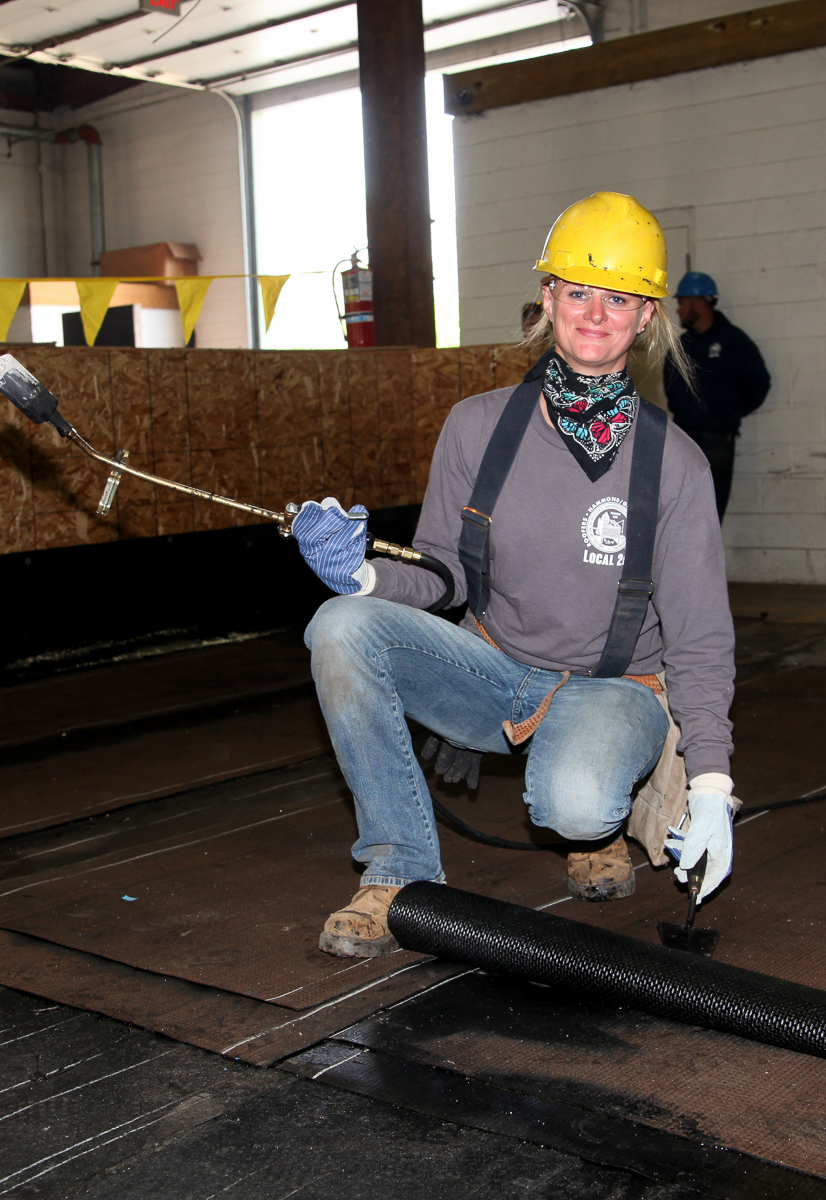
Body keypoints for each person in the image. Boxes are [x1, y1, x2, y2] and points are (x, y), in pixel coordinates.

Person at [293, 192, 736, 960]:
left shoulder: (677, 465)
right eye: (578, 291)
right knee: (338, 628)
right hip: (494, 667)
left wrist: (711, 786)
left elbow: (699, 639)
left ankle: (601, 824)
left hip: (616, 686)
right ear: (548, 301)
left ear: (648, 318)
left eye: (619, 298)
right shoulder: (478, 424)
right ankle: (398, 871)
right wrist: (360, 575)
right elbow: (442, 575)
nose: (596, 313)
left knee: (573, 804)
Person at [664, 271, 770, 521]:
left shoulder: (734, 341)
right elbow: (670, 387)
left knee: (710, 513)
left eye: (681, 303)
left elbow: (759, 384)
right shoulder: (681, 346)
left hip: (717, 441)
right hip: (683, 440)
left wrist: (727, 413)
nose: (678, 310)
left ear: (697, 303)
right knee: (679, 514)